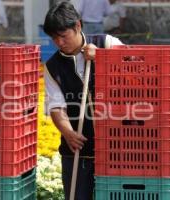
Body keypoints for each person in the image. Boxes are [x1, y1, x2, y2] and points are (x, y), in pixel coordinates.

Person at [43, 2, 123, 200]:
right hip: (78, 150)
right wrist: (68, 133)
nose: (59, 42)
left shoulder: (107, 43)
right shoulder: (52, 66)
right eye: (54, 38)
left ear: (77, 26)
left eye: (63, 36)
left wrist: (104, 57)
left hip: (117, 146)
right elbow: (56, 106)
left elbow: (137, 64)